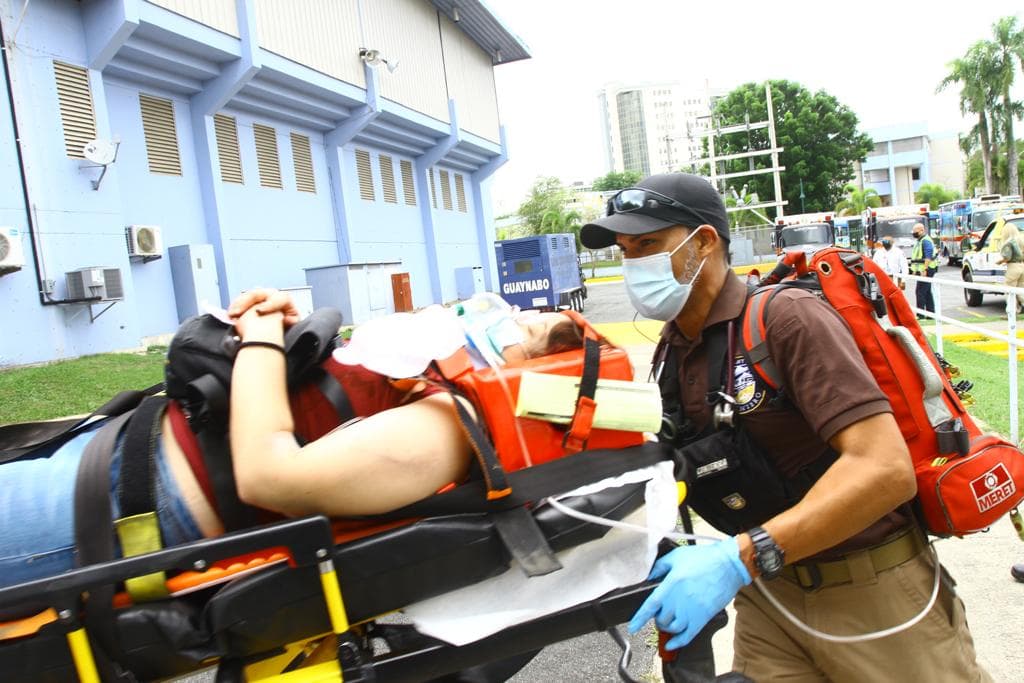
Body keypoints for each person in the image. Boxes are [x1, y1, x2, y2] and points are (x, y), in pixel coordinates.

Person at [580, 173, 992, 682]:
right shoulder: (674, 348)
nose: (633, 262)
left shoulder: (786, 319)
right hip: (769, 598)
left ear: (703, 242)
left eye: (647, 244)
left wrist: (738, 557)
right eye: (624, 250)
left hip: (873, 590)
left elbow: (885, 469)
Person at [0, 291, 581, 589]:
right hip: (117, 457)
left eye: (525, 327)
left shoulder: (446, 430)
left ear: (526, 372)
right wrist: (292, 338)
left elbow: (268, 474)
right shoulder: (426, 379)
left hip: (126, 506)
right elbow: (325, 404)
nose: (504, 315)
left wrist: (259, 340)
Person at [995, 218, 1024, 315]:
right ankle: (1019, 309)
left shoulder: (1008, 243)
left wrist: (1000, 261)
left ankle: (1012, 313)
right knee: (1021, 291)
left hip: (1013, 267)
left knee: (1009, 291)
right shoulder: (1021, 241)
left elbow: (1007, 257)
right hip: (1022, 266)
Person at [910, 222, 937, 317]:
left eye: (915, 231)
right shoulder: (920, 241)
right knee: (927, 292)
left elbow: (928, 257)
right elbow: (917, 258)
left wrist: (924, 270)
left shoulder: (925, 241)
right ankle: (931, 314)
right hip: (923, 270)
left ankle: (921, 314)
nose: (913, 233)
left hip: (927, 270)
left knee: (920, 292)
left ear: (922, 230)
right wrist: (915, 270)